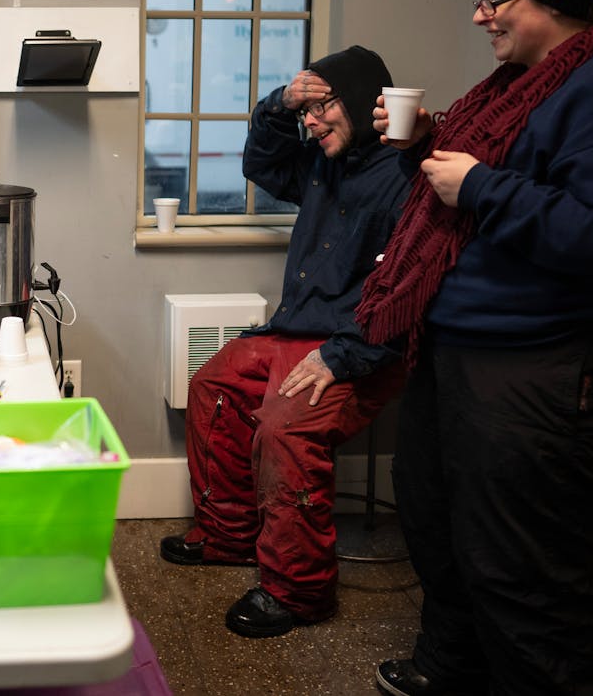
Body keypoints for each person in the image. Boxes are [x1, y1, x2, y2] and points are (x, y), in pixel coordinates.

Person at [358, 0, 593, 696]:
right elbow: (475, 203)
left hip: (543, 372)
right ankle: (451, 666)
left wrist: (480, 183)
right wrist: (428, 148)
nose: (479, 14)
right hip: (462, 354)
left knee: (526, 577)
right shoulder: (511, 92)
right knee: (439, 532)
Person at [159, 46, 414, 638]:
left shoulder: (407, 177)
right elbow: (263, 163)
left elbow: (404, 297)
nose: (311, 122)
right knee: (213, 385)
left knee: (285, 427)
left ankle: (299, 592)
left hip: (359, 349)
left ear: (360, 103)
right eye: (307, 112)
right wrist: (280, 103)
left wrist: (340, 356)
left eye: (322, 107)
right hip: (295, 333)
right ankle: (229, 537)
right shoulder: (326, 161)